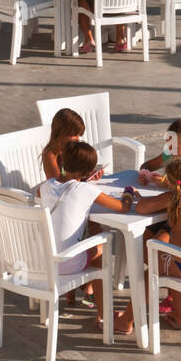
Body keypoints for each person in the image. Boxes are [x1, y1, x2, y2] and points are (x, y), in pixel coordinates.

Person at [38, 139, 139, 327]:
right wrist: (128, 193)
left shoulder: (46, 186)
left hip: (40, 262)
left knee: (92, 230)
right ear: (88, 172)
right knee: (98, 254)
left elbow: (47, 193)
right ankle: (104, 315)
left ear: (63, 162)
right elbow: (123, 208)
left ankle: (85, 292)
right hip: (64, 264)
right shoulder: (86, 189)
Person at [114, 157, 181, 334]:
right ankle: (179, 315)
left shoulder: (175, 196)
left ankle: (126, 321)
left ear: (173, 183)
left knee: (149, 273)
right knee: (173, 258)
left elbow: (142, 209)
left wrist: (139, 198)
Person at [41, 107, 85, 180]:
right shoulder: (50, 154)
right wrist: (79, 176)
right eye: (74, 134)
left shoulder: (70, 150)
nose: (77, 139)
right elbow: (59, 183)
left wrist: (88, 175)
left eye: (78, 135)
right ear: (61, 133)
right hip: (59, 190)